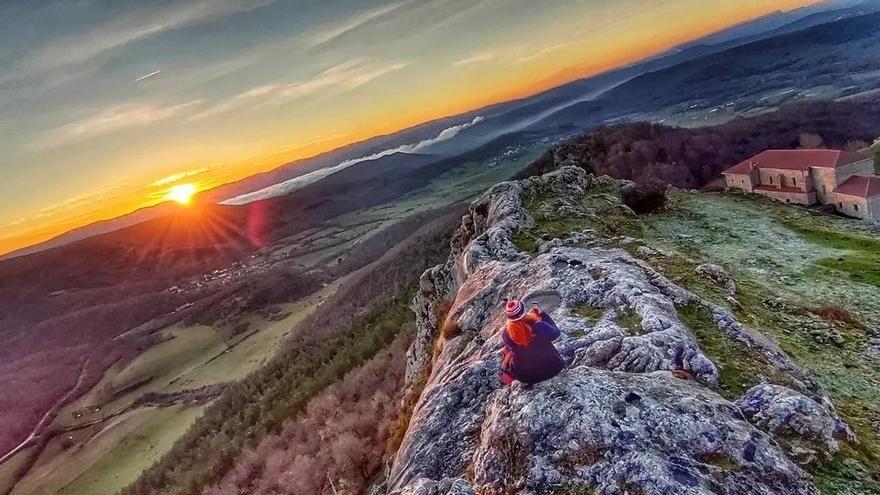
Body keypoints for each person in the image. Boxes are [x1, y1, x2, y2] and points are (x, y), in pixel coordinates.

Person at [499, 299, 565, 386]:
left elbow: (520, 332)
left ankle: (507, 377)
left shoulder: (506, 334)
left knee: (507, 351)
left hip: (528, 377)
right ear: (523, 311)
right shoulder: (539, 326)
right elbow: (556, 333)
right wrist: (542, 315)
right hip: (553, 368)